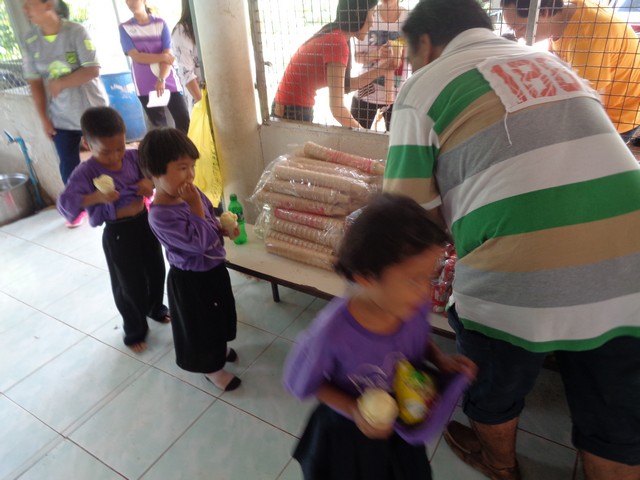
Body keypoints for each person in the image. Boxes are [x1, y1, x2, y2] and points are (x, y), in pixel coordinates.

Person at [384, 1, 640, 479]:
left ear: (423, 43)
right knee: (615, 413)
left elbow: (407, 220)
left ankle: (499, 462)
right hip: (633, 265)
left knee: (494, 375)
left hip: (521, 277)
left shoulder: (423, 86)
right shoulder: (550, 63)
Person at [283, 193, 477, 480]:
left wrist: (439, 359)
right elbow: (304, 383)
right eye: (414, 279)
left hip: (398, 425)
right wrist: (354, 409)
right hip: (349, 433)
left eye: (429, 276)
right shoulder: (330, 334)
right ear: (366, 277)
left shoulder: (411, 304)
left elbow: (417, 337)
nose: (426, 291)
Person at [57, 107, 169, 353]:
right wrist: (95, 197)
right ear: (87, 143)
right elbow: (65, 205)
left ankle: (155, 307)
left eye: (120, 147)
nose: (116, 156)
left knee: (156, 268)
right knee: (129, 284)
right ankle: (134, 329)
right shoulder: (86, 172)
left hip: (144, 222)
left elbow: (156, 176)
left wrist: (148, 184)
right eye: (106, 152)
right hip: (118, 232)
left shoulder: (133, 157)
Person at [138, 128, 241, 392]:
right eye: (182, 168)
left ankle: (219, 349)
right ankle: (211, 369)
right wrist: (195, 206)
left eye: (192, 166)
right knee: (201, 326)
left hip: (214, 270)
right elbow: (197, 243)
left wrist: (223, 227)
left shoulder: (193, 194)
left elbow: (209, 220)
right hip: (192, 280)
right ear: (156, 173)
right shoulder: (160, 215)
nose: (191, 175)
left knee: (220, 314)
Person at [21, 0, 109, 227]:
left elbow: (92, 69)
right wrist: (44, 118)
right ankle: (77, 206)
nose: (25, 10)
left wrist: (62, 82)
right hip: (60, 116)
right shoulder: (31, 41)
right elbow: (35, 84)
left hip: (92, 110)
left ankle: (116, 196)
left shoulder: (76, 32)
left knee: (108, 158)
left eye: (29, 4)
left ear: (48, 4)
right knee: (68, 165)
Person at [501, 0, 640, 142]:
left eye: (520, 27)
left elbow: (590, 110)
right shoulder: (569, 12)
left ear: (543, 12)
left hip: (615, 119)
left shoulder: (587, 36)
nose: (517, 36)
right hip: (596, 105)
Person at [272, 0, 396, 128]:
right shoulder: (337, 42)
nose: (372, 22)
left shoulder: (335, 34)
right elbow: (337, 109)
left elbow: (345, 85)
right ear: (358, 14)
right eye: (372, 14)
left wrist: (383, 69)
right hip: (292, 110)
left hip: (290, 107)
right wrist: (365, 134)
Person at [119, 0, 190, 133]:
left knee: (183, 119)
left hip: (168, 79)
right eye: (127, 0)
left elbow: (167, 53)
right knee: (159, 127)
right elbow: (136, 56)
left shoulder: (160, 23)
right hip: (144, 84)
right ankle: (167, 153)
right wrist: (162, 57)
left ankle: (183, 151)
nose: (130, 2)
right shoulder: (124, 27)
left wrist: (161, 79)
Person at [351, 0, 409, 131]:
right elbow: (357, 57)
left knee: (395, 144)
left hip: (398, 96)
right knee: (355, 137)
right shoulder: (368, 15)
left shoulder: (410, 19)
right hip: (366, 92)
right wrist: (377, 54)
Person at [171, 0, 202, 111]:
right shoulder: (182, 31)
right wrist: (204, 106)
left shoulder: (210, 24)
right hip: (201, 100)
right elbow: (187, 74)